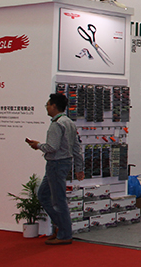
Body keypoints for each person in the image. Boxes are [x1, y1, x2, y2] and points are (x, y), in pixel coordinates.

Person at [26, 93, 84, 245]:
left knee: (58, 200)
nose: (46, 107)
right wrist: (79, 167)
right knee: (44, 195)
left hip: (56, 164)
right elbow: (76, 148)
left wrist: (37, 145)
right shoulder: (69, 122)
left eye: (47, 104)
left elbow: (52, 147)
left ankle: (65, 234)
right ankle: (61, 226)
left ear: (54, 106)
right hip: (61, 164)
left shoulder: (57, 124)